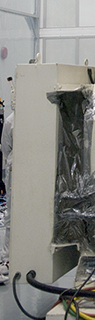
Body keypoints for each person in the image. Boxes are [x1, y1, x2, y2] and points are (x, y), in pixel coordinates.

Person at [0, 109, 13, 284]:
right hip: (14, 168)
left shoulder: (11, 120)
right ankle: (7, 259)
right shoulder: (11, 120)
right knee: (12, 216)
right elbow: (5, 147)